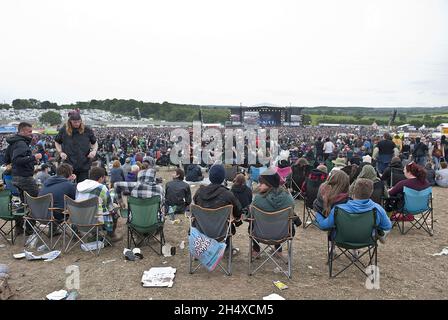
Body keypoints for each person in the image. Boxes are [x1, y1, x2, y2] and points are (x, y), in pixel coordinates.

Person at [316, 178, 392, 242]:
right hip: (367, 239)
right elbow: (387, 226)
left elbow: (324, 226)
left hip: (341, 239)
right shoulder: (378, 209)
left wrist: (318, 214)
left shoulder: (339, 209)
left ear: (353, 191)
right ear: (371, 192)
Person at [4, 122, 42, 235]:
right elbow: (16, 160)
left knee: (24, 203)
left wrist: (29, 159)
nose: (31, 134)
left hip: (15, 177)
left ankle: (19, 228)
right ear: (22, 131)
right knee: (37, 201)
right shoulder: (21, 143)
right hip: (24, 177)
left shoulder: (13, 142)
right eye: (29, 132)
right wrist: (33, 157)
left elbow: (7, 160)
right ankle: (29, 229)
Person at [250, 168, 297, 258]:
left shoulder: (258, 199)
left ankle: (256, 250)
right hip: (283, 234)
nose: (259, 185)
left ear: (269, 184)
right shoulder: (289, 199)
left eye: (261, 183)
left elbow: (250, 216)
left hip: (260, 233)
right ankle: (278, 250)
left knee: (253, 222)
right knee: (279, 221)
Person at [193, 164, 242, 250]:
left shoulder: (199, 192)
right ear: (223, 178)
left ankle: (201, 249)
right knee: (228, 222)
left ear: (210, 177)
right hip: (221, 232)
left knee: (225, 221)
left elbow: (195, 207)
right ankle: (227, 249)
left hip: (201, 230)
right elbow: (238, 211)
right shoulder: (228, 194)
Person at [76, 167, 121, 241]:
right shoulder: (101, 188)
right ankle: (111, 235)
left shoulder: (79, 186)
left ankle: (79, 234)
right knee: (114, 210)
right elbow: (109, 205)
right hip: (95, 221)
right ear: (101, 178)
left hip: (79, 220)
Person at [54, 109, 98, 183]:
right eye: (74, 122)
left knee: (82, 187)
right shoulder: (64, 130)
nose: (77, 124)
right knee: (69, 187)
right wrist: (60, 152)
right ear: (70, 121)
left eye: (78, 121)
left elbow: (94, 142)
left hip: (84, 164)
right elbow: (57, 142)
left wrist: (94, 151)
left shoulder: (87, 129)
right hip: (69, 165)